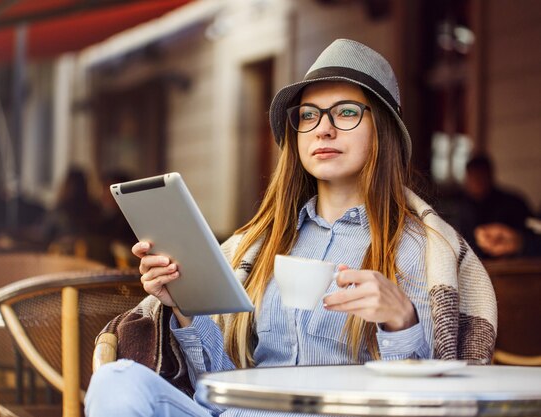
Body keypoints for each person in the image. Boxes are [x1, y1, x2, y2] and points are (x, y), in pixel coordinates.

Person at [85, 39, 496, 417]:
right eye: (309, 115)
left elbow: (426, 403)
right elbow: (223, 382)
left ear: (383, 129)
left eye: (347, 112)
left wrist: (400, 322)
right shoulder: (261, 244)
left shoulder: (420, 248)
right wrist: (184, 307)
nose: (324, 128)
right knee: (116, 381)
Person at [459, 154, 534, 258]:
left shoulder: (513, 204)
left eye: (481, 176)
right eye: (474, 176)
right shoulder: (456, 207)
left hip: (509, 267)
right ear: (467, 178)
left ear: (490, 176)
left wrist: (518, 241)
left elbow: (532, 231)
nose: (477, 181)